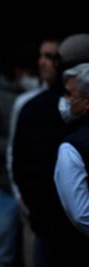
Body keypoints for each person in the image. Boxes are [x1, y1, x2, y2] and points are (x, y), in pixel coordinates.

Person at [10, 34, 89, 267]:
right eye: (42, 56)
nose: (45, 63)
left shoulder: (39, 108)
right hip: (51, 228)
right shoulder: (34, 108)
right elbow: (19, 161)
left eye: (52, 57)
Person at [0, 42, 40, 267]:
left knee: (32, 257)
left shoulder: (36, 96)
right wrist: (18, 147)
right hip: (2, 187)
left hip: (29, 189)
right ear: (19, 71)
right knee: (2, 255)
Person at [54, 63, 89, 236]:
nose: (66, 101)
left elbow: (81, 214)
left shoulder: (72, 147)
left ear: (86, 102)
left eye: (70, 94)